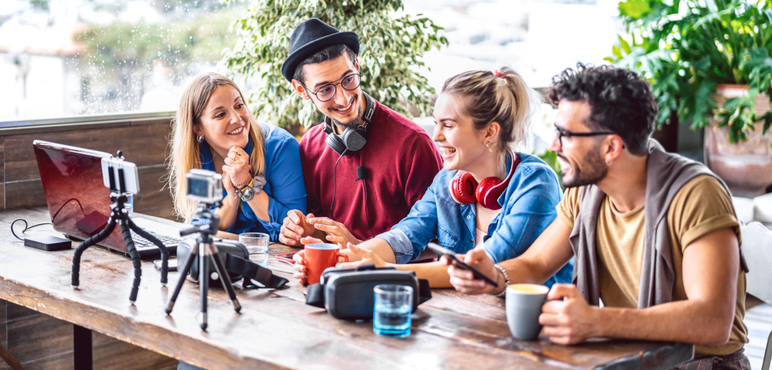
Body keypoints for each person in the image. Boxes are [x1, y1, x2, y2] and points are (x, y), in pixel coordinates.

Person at [447, 64, 750, 368]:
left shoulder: (696, 194)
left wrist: (596, 321)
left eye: (565, 135)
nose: (554, 146)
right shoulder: (586, 191)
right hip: (632, 358)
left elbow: (713, 320)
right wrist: (494, 275)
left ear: (611, 147)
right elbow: (536, 263)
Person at [292, 67, 574, 289]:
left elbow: (482, 268)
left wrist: (380, 270)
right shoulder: (448, 180)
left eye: (448, 125)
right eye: (436, 123)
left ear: (489, 132)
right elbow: (405, 235)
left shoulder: (535, 183)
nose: (436, 137)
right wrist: (337, 260)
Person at [278, 18, 442, 248]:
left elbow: (437, 242)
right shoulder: (309, 147)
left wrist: (359, 248)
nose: (344, 99)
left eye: (348, 79)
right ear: (301, 90)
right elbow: (322, 235)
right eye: (325, 89)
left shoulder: (413, 144)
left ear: (357, 65)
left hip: (396, 279)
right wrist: (302, 232)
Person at [168, 72, 307, 241]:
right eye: (220, 114)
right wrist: (232, 197)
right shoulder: (197, 156)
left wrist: (245, 184)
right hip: (224, 255)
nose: (237, 118)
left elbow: (296, 226)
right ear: (198, 128)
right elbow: (203, 225)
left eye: (239, 105)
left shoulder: (280, 146)